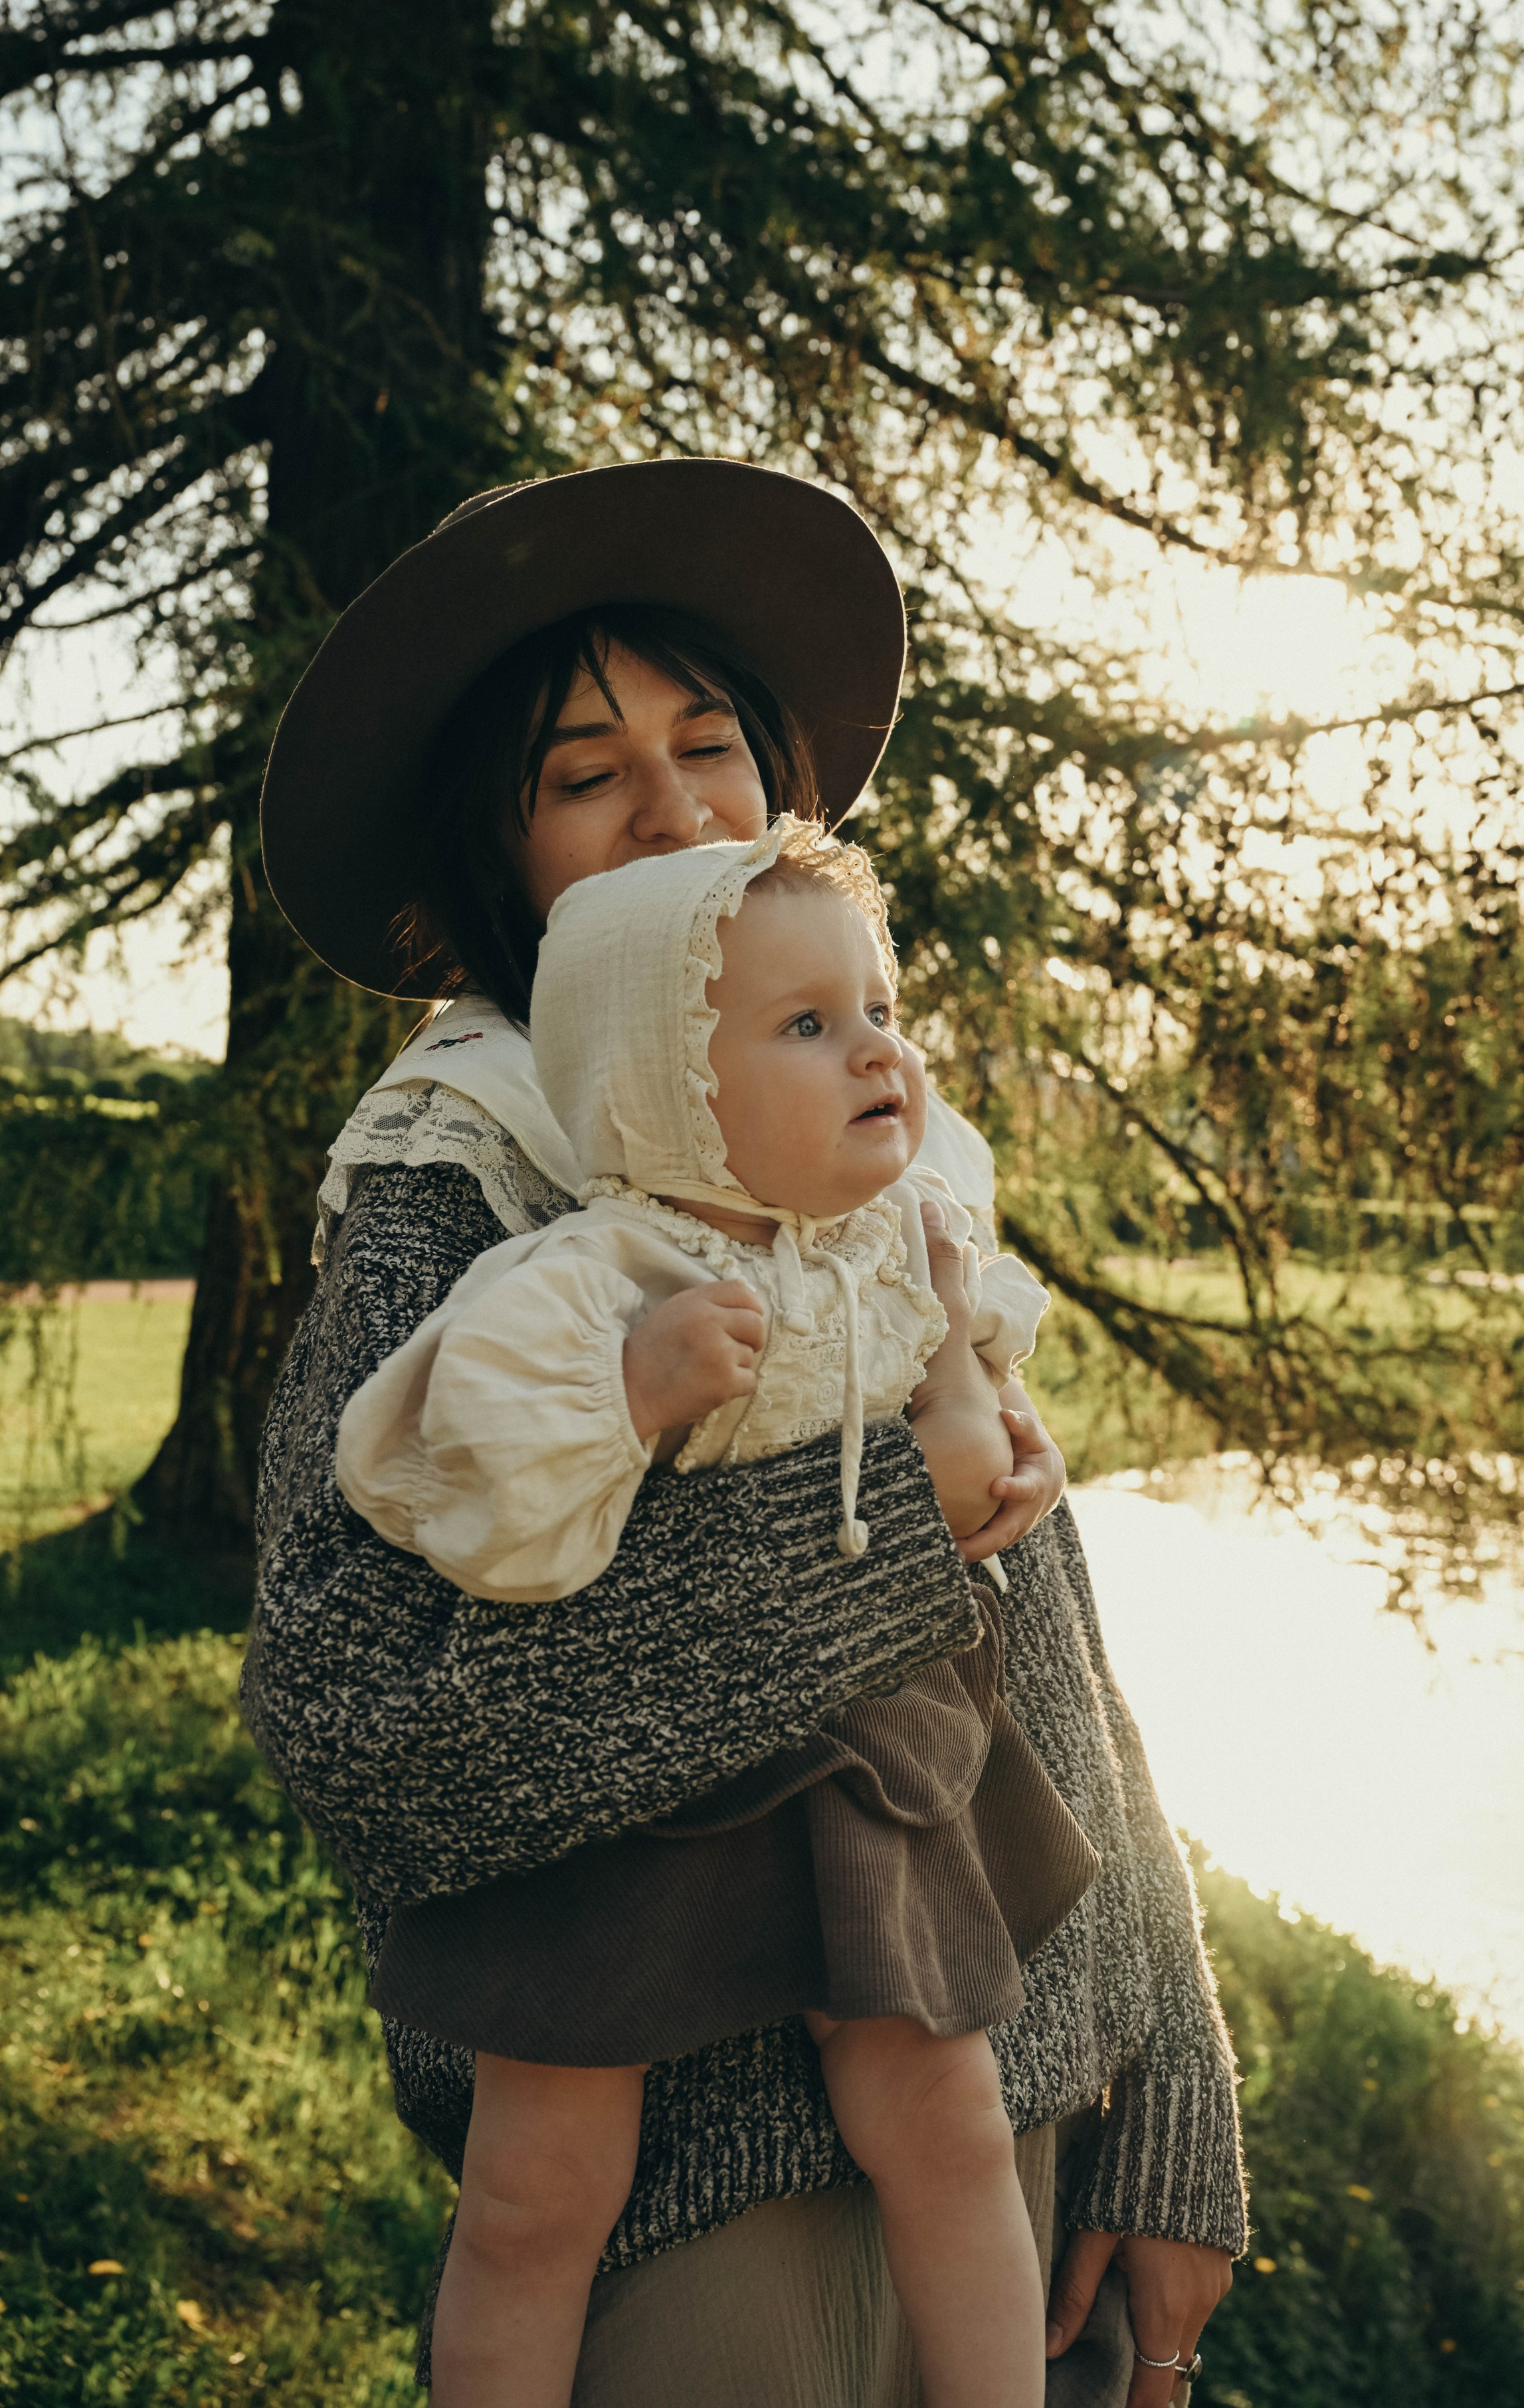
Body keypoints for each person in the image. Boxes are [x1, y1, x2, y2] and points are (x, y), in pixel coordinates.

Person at [243, 458, 1244, 2407]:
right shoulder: (460, 1181)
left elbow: (1054, 1645)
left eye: (708, 743)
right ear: (502, 858)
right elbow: (360, 1733)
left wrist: (1175, 2085)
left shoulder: (881, 1148)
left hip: (1010, 2110)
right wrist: (859, 1539)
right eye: (583, 773)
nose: (674, 803)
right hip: (693, 2196)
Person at [336, 818, 1101, 2407]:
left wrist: (992, 1418)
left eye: (877, 1009)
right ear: (668, 1090)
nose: (876, 1052)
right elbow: (477, 1490)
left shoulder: (905, 1235)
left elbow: (971, 1371)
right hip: (630, 1779)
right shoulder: (594, 1266)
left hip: (868, 1743)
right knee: (539, 2191)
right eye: (807, 1028)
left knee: (944, 2122)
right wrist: (631, 1388)